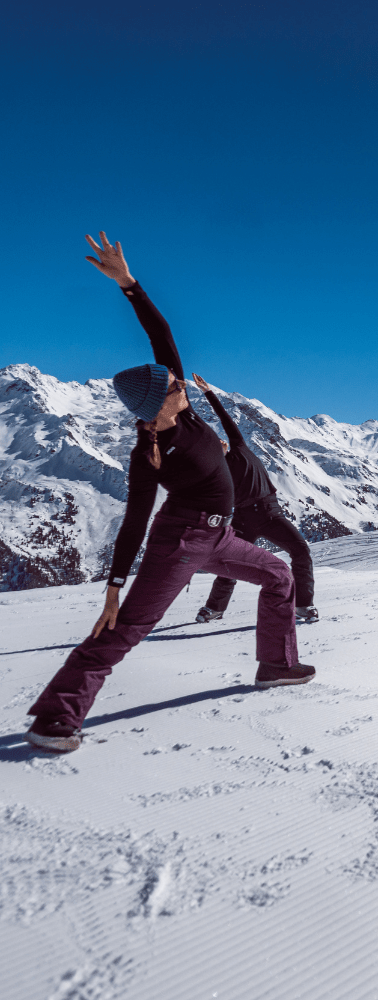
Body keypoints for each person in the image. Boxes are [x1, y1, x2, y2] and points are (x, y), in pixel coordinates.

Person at [24, 233, 315, 754]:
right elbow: (135, 523)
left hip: (219, 536)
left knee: (278, 574)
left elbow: (163, 334)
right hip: (179, 543)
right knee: (128, 629)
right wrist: (113, 589)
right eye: (172, 385)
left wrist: (129, 285)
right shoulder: (151, 453)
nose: (180, 382)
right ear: (158, 404)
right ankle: (55, 717)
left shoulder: (181, 404)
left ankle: (276, 665)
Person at [190, 373, 319, 626]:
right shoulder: (217, 472)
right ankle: (214, 609)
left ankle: (304, 605)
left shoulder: (239, 446)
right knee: (230, 563)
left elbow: (225, 421)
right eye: (215, 442)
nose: (221, 439)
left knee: (300, 550)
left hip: (271, 513)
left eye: (220, 438)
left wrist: (208, 393)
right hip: (243, 519)